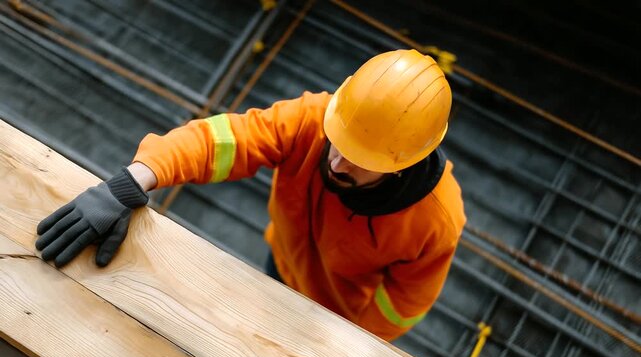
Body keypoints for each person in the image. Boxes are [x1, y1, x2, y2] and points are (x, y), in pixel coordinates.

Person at [35, 49, 466, 340]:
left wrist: (348, 344)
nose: (336, 163)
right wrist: (132, 181)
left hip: (336, 316)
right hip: (280, 261)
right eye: (339, 141)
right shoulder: (315, 119)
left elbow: (402, 307)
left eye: (360, 159)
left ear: (402, 163)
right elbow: (224, 141)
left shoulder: (435, 221)